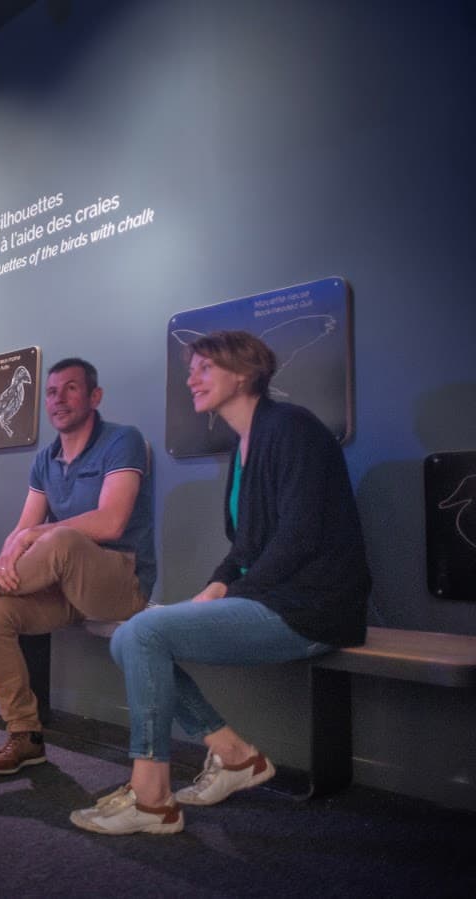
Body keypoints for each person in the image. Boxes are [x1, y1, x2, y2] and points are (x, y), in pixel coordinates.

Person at [69, 330, 370, 836]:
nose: (191, 378)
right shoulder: (245, 446)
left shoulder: (292, 429)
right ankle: (233, 755)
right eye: (192, 368)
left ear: (246, 372)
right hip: (272, 600)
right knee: (130, 635)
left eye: (204, 367)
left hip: (313, 610)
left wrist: (231, 594)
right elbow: (246, 549)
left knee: (142, 633)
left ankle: (152, 799)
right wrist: (215, 587)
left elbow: (299, 537)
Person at [0, 358, 156, 776]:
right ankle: (25, 735)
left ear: (95, 396)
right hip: (67, 589)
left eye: (71, 389)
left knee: (60, 538)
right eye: (52, 392)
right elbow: (22, 530)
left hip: (121, 583)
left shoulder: (122, 440)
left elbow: (111, 522)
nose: (59, 399)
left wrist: (32, 539)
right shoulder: (45, 458)